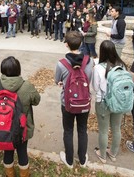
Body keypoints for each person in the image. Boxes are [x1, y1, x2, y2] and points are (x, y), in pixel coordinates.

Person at [0, 56, 40, 177]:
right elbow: (37, 100)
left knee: (8, 151)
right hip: (22, 128)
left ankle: (9, 174)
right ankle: (24, 174)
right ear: (19, 70)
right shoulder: (27, 86)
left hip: (4, 127)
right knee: (22, 153)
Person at [55, 31, 94, 168]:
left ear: (66, 44)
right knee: (83, 129)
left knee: (68, 130)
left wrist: (61, 83)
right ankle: (82, 159)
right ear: (81, 43)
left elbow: (57, 80)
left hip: (68, 102)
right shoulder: (89, 61)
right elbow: (88, 79)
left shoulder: (61, 64)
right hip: (84, 100)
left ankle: (69, 160)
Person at [92, 40, 127, 163]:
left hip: (103, 102)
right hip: (118, 101)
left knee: (103, 130)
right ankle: (113, 153)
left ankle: (102, 155)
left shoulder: (98, 68)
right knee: (116, 128)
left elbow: (96, 88)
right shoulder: (122, 65)